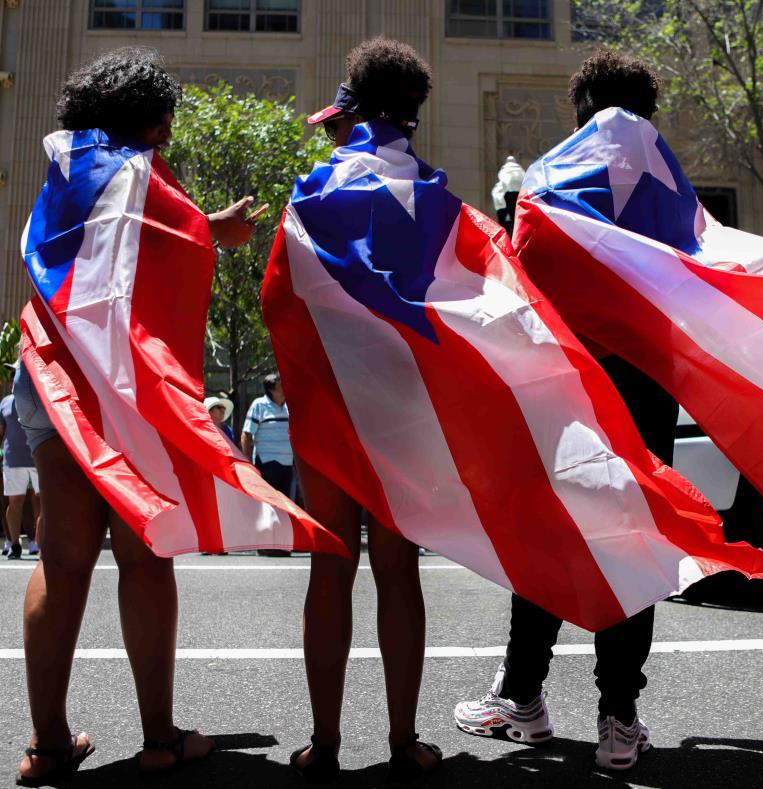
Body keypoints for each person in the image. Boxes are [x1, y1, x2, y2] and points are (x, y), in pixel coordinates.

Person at [12, 48, 259, 786]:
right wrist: (223, 230)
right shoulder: (141, 170)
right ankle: (159, 737)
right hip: (120, 380)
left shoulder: (67, 166)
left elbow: (120, 244)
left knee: (61, 557)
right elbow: (171, 247)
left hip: (50, 369)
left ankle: (48, 745)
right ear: (151, 120)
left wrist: (201, 223)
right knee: (145, 555)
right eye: (167, 122)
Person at [454, 49, 674, 772]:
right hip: (647, 384)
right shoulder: (670, 182)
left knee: (549, 535)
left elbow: (522, 291)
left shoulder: (549, 175)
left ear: (581, 111)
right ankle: (620, 716)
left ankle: (522, 697)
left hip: (571, 390)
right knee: (631, 541)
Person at [279, 38, 442, 786]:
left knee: (330, 564)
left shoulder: (315, 188)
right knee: (399, 567)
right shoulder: (435, 193)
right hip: (403, 403)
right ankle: (405, 739)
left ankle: (324, 742)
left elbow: (280, 295)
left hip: (329, 397)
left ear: (355, 109)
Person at [241, 374, 293, 556]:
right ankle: (264, 545)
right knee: (267, 505)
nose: (285, 386)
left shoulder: (289, 407)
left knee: (284, 505)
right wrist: (248, 463)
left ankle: (281, 545)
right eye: (281, 383)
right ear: (272, 388)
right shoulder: (258, 405)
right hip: (267, 461)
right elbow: (247, 434)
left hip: (288, 463)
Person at [1, 373, 41, 560]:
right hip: (13, 460)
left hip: (39, 458)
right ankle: (15, 545)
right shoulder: (4, 402)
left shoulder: (40, 396)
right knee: (14, 503)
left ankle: (39, 543)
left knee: (40, 502)